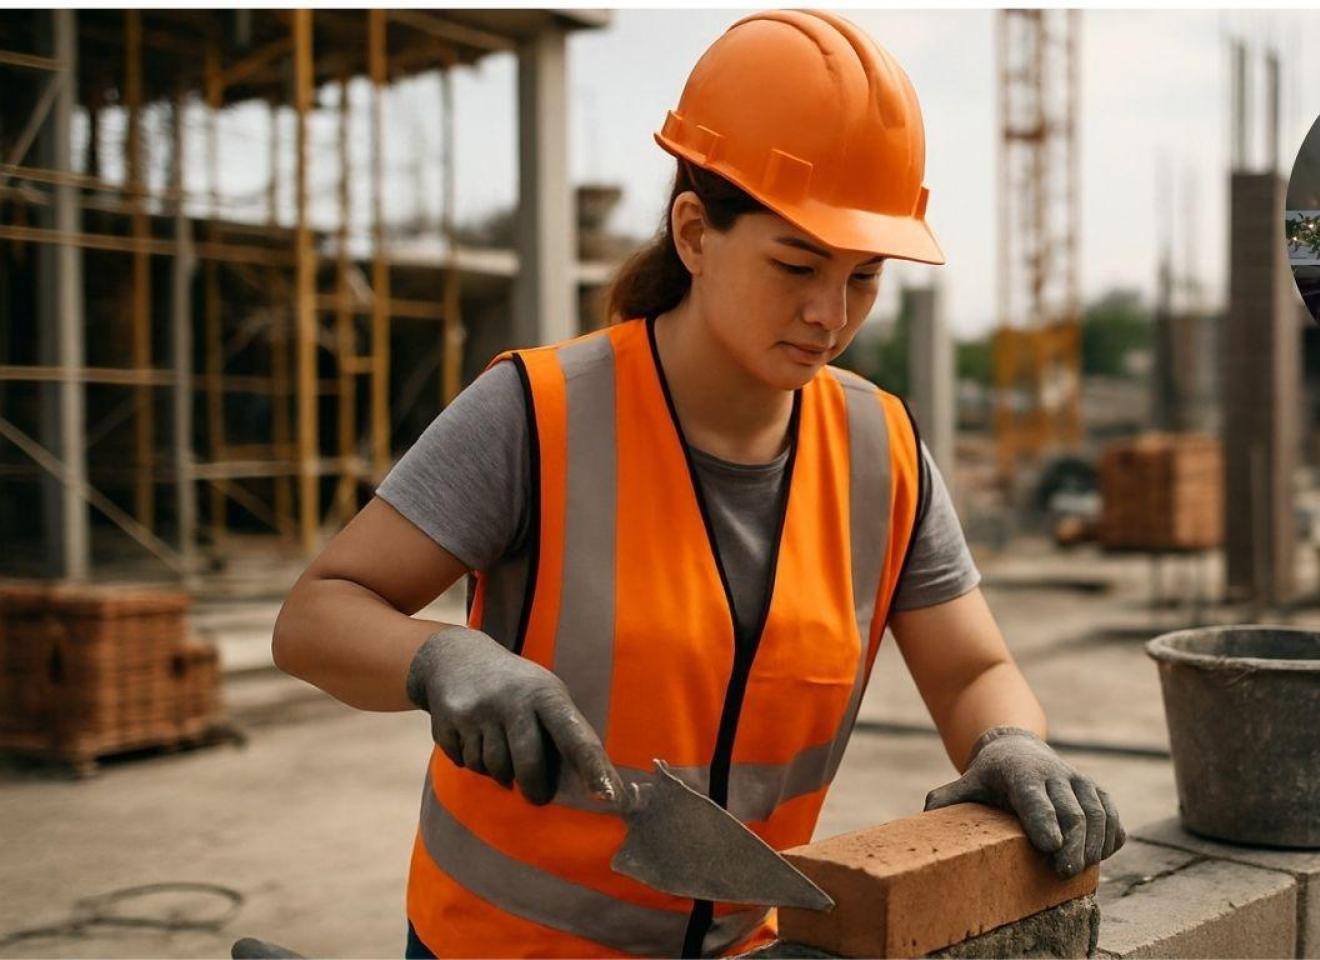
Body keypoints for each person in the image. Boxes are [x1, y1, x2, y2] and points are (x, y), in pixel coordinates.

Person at [271, 11, 1124, 958]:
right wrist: (441, 659)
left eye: (864, 278)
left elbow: (971, 671)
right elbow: (315, 617)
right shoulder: (536, 416)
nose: (829, 314)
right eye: (796, 265)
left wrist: (1010, 742)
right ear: (693, 233)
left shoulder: (882, 452)